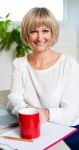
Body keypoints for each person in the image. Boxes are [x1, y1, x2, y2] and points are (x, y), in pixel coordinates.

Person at [7, 7, 79, 149]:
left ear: (52, 33)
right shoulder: (19, 65)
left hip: (68, 132)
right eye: (34, 31)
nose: (40, 37)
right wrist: (32, 113)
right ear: (27, 35)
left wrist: (46, 113)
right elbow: (13, 100)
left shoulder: (68, 64)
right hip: (35, 130)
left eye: (45, 30)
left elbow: (71, 111)